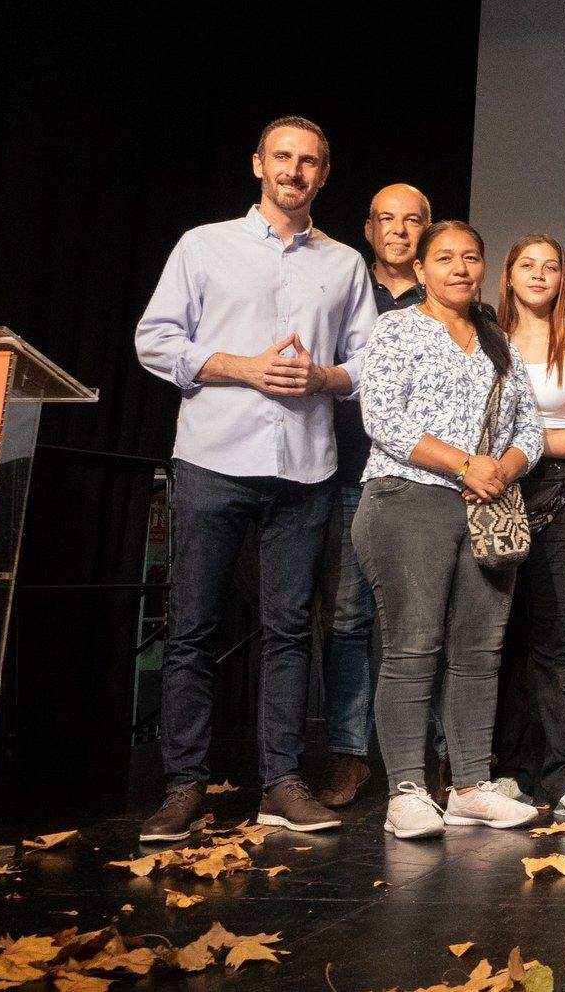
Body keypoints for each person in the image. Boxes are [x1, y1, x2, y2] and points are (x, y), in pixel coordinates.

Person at [134, 115, 375, 842]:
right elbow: (155, 339)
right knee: (194, 630)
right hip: (213, 459)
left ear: (324, 175)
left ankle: (280, 783)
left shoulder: (344, 264)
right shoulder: (203, 245)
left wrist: (324, 375)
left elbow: (367, 366)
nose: (295, 170)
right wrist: (243, 366)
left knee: (288, 631)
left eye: (309, 161)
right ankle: (184, 786)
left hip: (305, 469)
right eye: (283, 157)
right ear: (258, 164)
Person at [353, 220, 544, 840]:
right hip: (408, 499)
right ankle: (406, 789)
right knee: (412, 648)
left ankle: (469, 786)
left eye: (470, 258)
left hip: (485, 508)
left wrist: (500, 469)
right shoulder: (396, 329)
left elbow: (530, 430)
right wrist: (466, 464)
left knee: (478, 655)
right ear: (423, 269)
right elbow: (384, 419)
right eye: (445, 258)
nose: (459, 268)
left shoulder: (497, 340)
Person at [490, 234, 565, 822]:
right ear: (509, 274)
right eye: (527, 265)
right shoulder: (483, 339)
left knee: (563, 636)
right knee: (501, 636)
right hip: (491, 493)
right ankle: (507, 770)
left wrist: (522, 448)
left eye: (550, 267)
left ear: (562, 279)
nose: (538, 275)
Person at [313, 182, 430, 810]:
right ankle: (349, 755)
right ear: (368, 228)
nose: (400, 231)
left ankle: (428, 757)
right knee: (349, 619)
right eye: (387, 219)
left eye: (413, 221)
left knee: (424, 621)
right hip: (351, 475)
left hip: (427, 482)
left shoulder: (447, 296)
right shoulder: (341, 288)